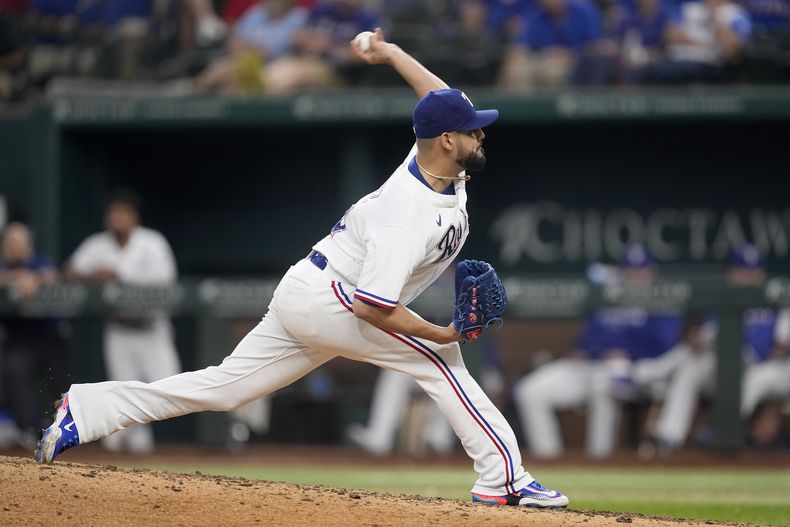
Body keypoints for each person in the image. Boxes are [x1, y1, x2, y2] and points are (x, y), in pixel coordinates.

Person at [36, 28, 569, 509]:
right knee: (440, 358)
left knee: (225, 389)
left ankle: (86, 408)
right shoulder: (405, 215)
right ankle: (503, 478)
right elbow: (372, 306)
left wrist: (389, 53)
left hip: (310, 291)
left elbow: (436, 95)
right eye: (474, 131)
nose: (482, 135)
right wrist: (442, 331)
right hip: (334, 297)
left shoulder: (434, 156)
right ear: (448, 142)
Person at [513, 243, 682, 458]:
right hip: (590, 365)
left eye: (641, 271)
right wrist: (586, 350)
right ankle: (549, 461)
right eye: (630, 271)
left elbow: (664, 345)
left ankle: (599, 460)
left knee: (602, 386)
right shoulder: (608, 295)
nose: (635, 277)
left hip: (633, 372)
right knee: (529, 392)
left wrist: (626, 350)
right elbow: (590, 337)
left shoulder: (663, 299)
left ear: (651, 273)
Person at [638, 244, 790, 455]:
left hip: (759, 366)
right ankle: (669, 437)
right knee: (691, 367)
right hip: (721, 366)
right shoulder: (720, 301)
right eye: (742, 271)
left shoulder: (775, 302)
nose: (748, 277)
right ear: (730, 273)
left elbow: (782, 345)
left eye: (753, 271)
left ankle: (721, 431)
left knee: (753, 373)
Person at [63, 190, 182, 454]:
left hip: (152, 328)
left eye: (123, 212)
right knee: (123, 387)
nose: (117, 217)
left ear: (134, 217)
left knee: (169, 387)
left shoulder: (152, 242)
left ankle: (146, 442)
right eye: (113, 212)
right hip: (119, 329)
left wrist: (120, 275)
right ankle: (127, 446)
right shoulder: (98, 244)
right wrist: (95, 276)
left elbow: (167, 282)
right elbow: (71, 271)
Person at [0, 222, 71, 448]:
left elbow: (53, 276)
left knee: (61, 382)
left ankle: (69, 429)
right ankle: (27, 431)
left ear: (29, 246)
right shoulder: (5, 268)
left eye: (20, 243)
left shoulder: (40, 262)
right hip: (19, 340)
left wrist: (33, 278)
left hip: (49, 336)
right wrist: (18, 278)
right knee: (12, 368)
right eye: (11, 243)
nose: (15, 248)